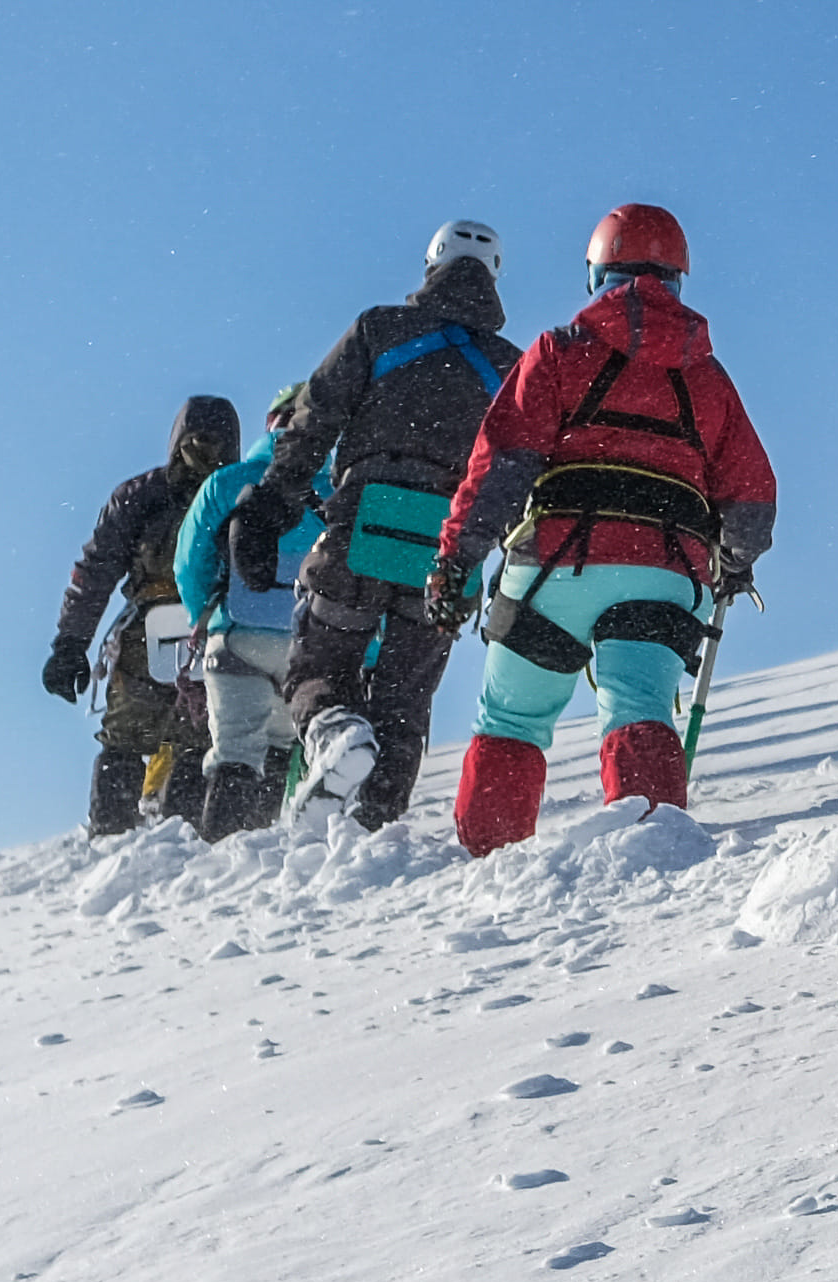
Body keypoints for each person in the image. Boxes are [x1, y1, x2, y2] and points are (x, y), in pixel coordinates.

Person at [427, 204, 778, 852]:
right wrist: (734, 560)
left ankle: (490, 856)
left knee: (512, 717)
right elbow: (752, 497)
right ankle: (651, 843)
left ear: (596, 274)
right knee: (639, 705)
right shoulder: (707, 377)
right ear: (678, 278)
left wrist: (456, 561)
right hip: (665, 569)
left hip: (555, 565)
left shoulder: (559, 352)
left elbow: (500, 466)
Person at [242, 220, 517, 832]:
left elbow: (313, 417)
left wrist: (271, 501)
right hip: (447, 553)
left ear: (431, 263)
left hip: (362, 527)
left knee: (319, 665)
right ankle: (375, 826)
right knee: (405, 697)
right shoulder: (512, 366)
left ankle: (335, 732)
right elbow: (518, 467)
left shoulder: (380, 329)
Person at [45, 396, 242, 835]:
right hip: (215, 633)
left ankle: (113, 838)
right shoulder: (240, 493)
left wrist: (71, 642)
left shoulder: (140, 496)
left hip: (149, 635)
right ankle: (185, 840)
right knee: (199, 738)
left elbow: (94, 573)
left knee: (127, 740)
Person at [172, 381, 317, 837]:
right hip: (305, 640)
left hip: (237, 634)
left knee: (235, 752)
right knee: (279, 746)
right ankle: (258, 854)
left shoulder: (227, 482)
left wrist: (202, 615)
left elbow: (189, 562)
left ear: (271, 423)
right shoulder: (336, 486)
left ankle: (221, 854)